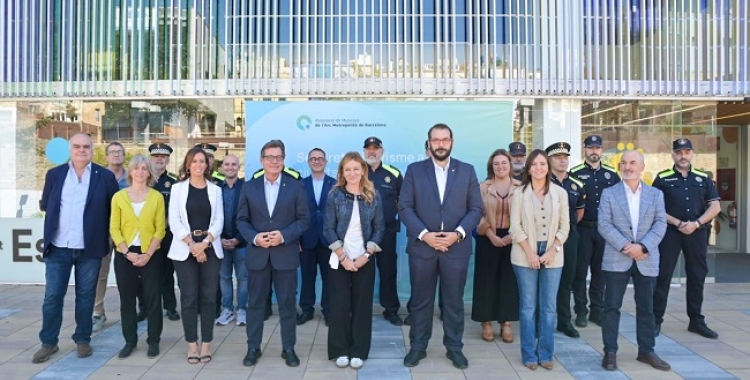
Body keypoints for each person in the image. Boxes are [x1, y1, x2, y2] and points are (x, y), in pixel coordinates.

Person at [399, 123, 483, 369]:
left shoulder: (466, 171)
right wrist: (425, 235)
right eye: (436, 140)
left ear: (452, 142)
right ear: (429, 143)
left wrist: (457, 234)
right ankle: (418, 347)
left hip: (455, 248)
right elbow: (405, 207)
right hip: (423, 247)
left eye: (445, 139)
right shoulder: (414, 170)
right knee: (420, 301)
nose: (441, 144)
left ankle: (454, 348)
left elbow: (476, 209)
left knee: (453, 302)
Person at [33, 133, 119, 363]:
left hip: (89, 249)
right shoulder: (55, 175)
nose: (82, 150)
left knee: (85, 296)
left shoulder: (105, 177)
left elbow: (113, 210)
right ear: (70, 149)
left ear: (92, 149)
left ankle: (83, 339)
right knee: (52, 297)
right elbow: (46, 204)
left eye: (86, 147)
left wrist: (109, 240)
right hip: (58, 247)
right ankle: (48, 342)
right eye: (77, 146)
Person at [237, 140, 310, 368]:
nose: (274, 161)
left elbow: (304, 220)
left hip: (285, 255)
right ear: (261, 161)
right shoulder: (249, 187)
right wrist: (256, 238)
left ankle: (288, 348)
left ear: (283, 160)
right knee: (256, 304)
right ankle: (253, 347)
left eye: (278, 157)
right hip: (258, 255)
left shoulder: (296, 187)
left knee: (288, 306)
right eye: (269, 157)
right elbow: (241, 220)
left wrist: (284, 236)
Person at [598, 150, 670, 371]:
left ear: (642, 167)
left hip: (646, 258)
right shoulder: (609, 193)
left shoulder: (655, 194)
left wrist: (643, 247)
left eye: (632, 163)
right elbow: (604, 224)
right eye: (624, 163)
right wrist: (627, 247)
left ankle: (646, 351)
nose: (627, 167)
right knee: (611, 307)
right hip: (616, 258)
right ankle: (610, 352)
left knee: (647, 307)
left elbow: (661, 223)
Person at [652, 138, 721, 339]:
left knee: (697, 276)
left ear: (692, 154)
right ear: (673, 155)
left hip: (697, 233)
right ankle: (656, 320)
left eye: (687, 152)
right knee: (663, 276)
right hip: (671, 233)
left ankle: (696, 321)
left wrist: (697, 224)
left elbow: (715, 207)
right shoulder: (662, 178)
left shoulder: (703, 178)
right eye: (679, 152)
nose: (683, 156)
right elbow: (655, 208)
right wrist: (677, 222)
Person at [509, 149, 569, 371]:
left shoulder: (560, 194)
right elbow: (514, 227)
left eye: (542, 164)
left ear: (548, 167)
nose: (538, 168)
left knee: (549, 307)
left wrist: (553, 250)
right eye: (534, 164)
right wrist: (530, 252)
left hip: (553, 253)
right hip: (525, 254)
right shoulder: (520, 193)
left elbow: (566, 227)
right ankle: (529, 354)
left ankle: (546, 353)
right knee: (528, 307)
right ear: (528, 168)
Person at [324, 152, 385, 370]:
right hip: (339, 259)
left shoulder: (373, 195)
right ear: (341, 172)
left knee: (361, 306)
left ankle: (359, 350)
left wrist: (366, 256)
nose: (352, 173)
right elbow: (328, 229)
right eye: (347, 169)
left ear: (363, 171)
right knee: (339, 306)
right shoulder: (334, 195)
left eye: (356, 169)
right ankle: (340, 350)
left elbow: (379, 229)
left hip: (364, 260)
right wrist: (342, 257)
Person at [168, 146, 225, 364]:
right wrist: (193, 245)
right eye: (195, 162)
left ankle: (207, 344)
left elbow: (219, 221)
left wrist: (204, 244)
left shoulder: (215, 190)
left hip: (210, 248)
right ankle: (192, 345)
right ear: (188, 165)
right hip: (184, 250)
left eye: (202, 161)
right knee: (189, 298)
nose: (199, 165)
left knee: (209, 299)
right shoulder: (177, 189)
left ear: (207, 164)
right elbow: (174, 221)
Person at [109, 155, 166, 359]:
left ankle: (153, 341)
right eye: (136, 168)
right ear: (130, 172)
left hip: (151, 254)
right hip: (126, 255)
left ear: (149, 172)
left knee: (152, 300)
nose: (140, 172)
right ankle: (130, 341)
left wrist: (148, 254)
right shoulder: (119, 197)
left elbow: (160, 229)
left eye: (144, 168)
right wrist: (127, 252)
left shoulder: (156, 197)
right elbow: (114, 228)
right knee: (127, 301)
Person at [570, 135, 620, 327]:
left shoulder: (611, 174)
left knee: (600, 273)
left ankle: (596, 310)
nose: (594, 151)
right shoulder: (574, 173)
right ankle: (581, 310)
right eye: (590, 148)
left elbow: (617, 201)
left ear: (601, 150)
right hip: (583, 230)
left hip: (605, 231)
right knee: (580, 272)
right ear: (585, 150)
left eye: (597, 148)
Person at [472, 149, 520, 343]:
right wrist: (491, 234)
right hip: (487, 237)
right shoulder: (482, 187)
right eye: (496, 164)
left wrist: (511, 236)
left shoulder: (521, 187)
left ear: (510, 165)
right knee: (486, 280)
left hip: (513, 238)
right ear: (491, 167)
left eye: (504, 163)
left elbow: (525, 214)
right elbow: (476, 212)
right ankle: (486, 322)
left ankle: (506, 323)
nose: (500, 167)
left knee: (509, 280)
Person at [546, 142, 585, 338]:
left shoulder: (577, 184)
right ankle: (542, 321)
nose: (562, 160)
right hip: (546, 237)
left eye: (565, 157)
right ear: (550, 160)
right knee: (545, 280)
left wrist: (565, 231)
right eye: (557, 157)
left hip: (569, 238)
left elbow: (579, 213)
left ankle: (564, 321)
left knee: (566, 280)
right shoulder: (543, 183)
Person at [363, 136, 404, 326]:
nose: (372, 152)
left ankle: (391, 310)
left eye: (375, 149)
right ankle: (360, 310)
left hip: (387, 232)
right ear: (364, 151)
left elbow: (403, 203)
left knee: (388, 271)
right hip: (362, 233)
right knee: (362, 272)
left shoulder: (393, 174)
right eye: (368, 149)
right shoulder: (357, 172)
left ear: (382, 151)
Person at [92, 142, 130, 332]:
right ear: (106, 156)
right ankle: (98, 312)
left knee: (131, 274)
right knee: (100, 274)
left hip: (128, 233)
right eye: (112, 152)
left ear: (124, 155)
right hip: (103, 232)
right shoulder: (98, 177)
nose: (116, 155)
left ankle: (134, 310)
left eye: (119, 152)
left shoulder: (131, 178)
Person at [298, 148, 336, 326]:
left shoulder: (336, 184)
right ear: (308, 162)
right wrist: (297, 239)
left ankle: (329, 311)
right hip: (306, 240)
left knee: (330, 279)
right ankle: (306, 310)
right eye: (313, 159)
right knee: (307, 277)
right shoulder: (300, 185)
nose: (317, 161)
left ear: (326, 161)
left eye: (320, 158)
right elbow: (295, 213)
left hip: (329, 241)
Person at [149, 143, 180, 321]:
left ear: (167, 159)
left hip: (167, 234)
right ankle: (146, 308)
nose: (159, 159)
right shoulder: (144, 179)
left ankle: (170, 307)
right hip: (146, 234)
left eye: (163, 157)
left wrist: (163, 225)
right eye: (156, 156)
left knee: (167, 272)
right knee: (146, 274)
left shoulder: (174, 183)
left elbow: (175, 209)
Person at [216, 155, 249, 326]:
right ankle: (227, 309)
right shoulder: (215, 188)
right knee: (224, 277)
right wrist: (219, 238)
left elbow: (251, 216)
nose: (230, 167)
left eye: (233, 164)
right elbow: (211, 216)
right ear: (222, 167)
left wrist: (237, 239)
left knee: (243, 278)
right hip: (219, 242)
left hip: (241, 242)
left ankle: (242, 309)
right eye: (227, 164)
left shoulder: (246, 188)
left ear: (238, 167)